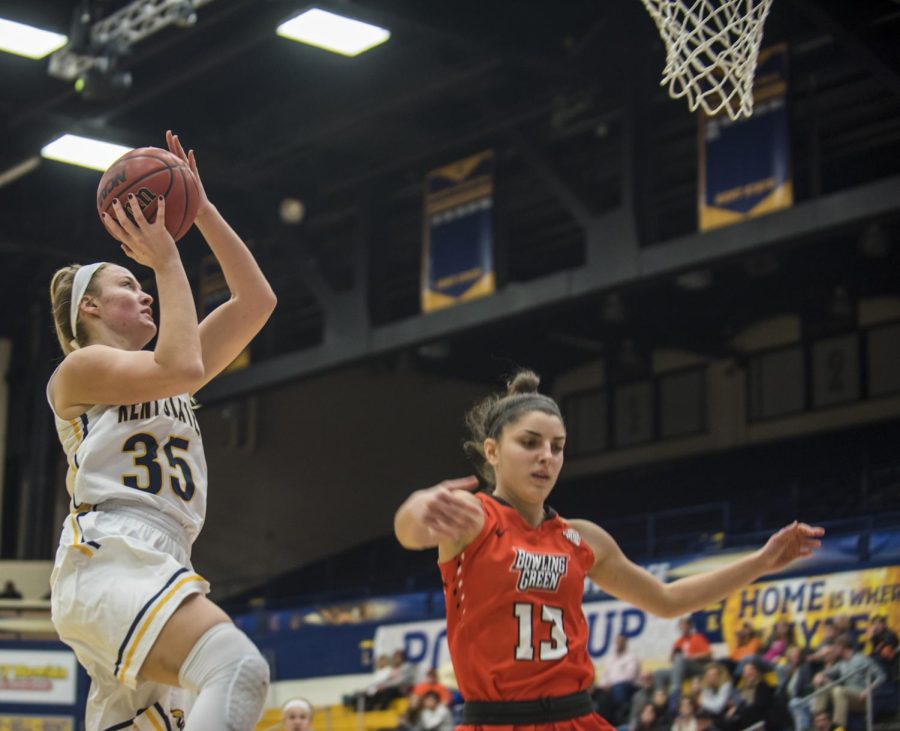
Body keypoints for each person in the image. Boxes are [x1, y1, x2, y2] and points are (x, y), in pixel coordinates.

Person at [393, 371, 824, 731]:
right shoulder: (473, 518)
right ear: (492, 451)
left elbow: (668, 600)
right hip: (496, 720)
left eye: (557, 447)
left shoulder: (583, 539)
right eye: (530, 443)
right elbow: (409, 531)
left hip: (577, 718)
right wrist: (419, 504)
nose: (546, 456)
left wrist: (762, 562)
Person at [46, 131, 277, 730]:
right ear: (88, 310)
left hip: (168, 557)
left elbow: (256, 301)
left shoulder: (165, 374)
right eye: (127, 284)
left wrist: (199, 209)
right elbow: (181, 364)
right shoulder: (81, 370)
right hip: (110, 553)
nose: (144, 289)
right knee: (237, 670)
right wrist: (167, 255)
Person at [811, 634, 887, 728]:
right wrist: (819, 675)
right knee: (823, 683)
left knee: (838, 690)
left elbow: (881, 675)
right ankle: (818, 718)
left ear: (842, 647)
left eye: (836, 647)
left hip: (862, 697)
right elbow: (826, 673)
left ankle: (838, 728)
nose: (834, 650)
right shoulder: (842, 663)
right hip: (847, 695)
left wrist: (869, 689)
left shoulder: (861, 659)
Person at [655, 618, 713, 704]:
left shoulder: (697, 637)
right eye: (680, 625)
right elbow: (672, 660)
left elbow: (708, 654)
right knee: (659, 673)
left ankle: (676, 692)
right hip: (683, 670)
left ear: (689, 626)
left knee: (680, 658)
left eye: (683, 624)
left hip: (698, 666)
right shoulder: (679, 641)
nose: (681, 627)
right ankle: (661, 698)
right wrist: (673, 655)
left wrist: (693, 656)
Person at [594, 634, 641, 724]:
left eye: (621, 641)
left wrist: (611, 684)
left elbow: (629, 676)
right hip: (609, 688)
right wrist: (603, 685)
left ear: (625, 643)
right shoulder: (610, 659)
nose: (619, 643)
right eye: (617, 641)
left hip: (626, 687)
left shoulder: (631, 658)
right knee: (598, 693)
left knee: (619, 688)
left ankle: (620, 719)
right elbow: (604, 676)